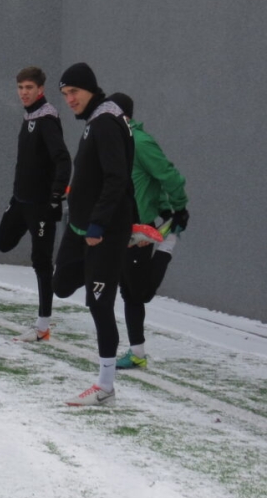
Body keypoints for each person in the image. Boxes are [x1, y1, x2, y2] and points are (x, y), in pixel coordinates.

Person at [51, 63, 134, 407]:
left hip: (103, 233)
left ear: (90, 89)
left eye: (74, 92)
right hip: (79, 228)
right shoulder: (95, 121)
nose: (70, 99)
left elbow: (118, 178)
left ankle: (105, 387)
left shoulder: (104, 124)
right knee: (60, 284)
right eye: (65, 94)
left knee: (100, 306)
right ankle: (100, 275)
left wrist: (100, 224)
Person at [109, 92, 189, 370]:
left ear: (124, 115)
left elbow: (168, 175)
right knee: (129, 293)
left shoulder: (141, 143)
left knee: (140, 293)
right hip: (118, 228)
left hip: (141, 230)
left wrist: (177, 208)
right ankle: (137, 352)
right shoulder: (112, 144)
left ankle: (168, 242)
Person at [0, 67, 72, 342]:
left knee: (41, 262)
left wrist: (54, 197)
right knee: (3, 242)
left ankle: (42, 326)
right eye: (20, 88)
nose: (23, 93)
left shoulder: (47, 118)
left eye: (28, 88)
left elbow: (63, 160)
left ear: (40, 89)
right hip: (20, 201)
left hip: (41, 206)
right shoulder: (29, 116)